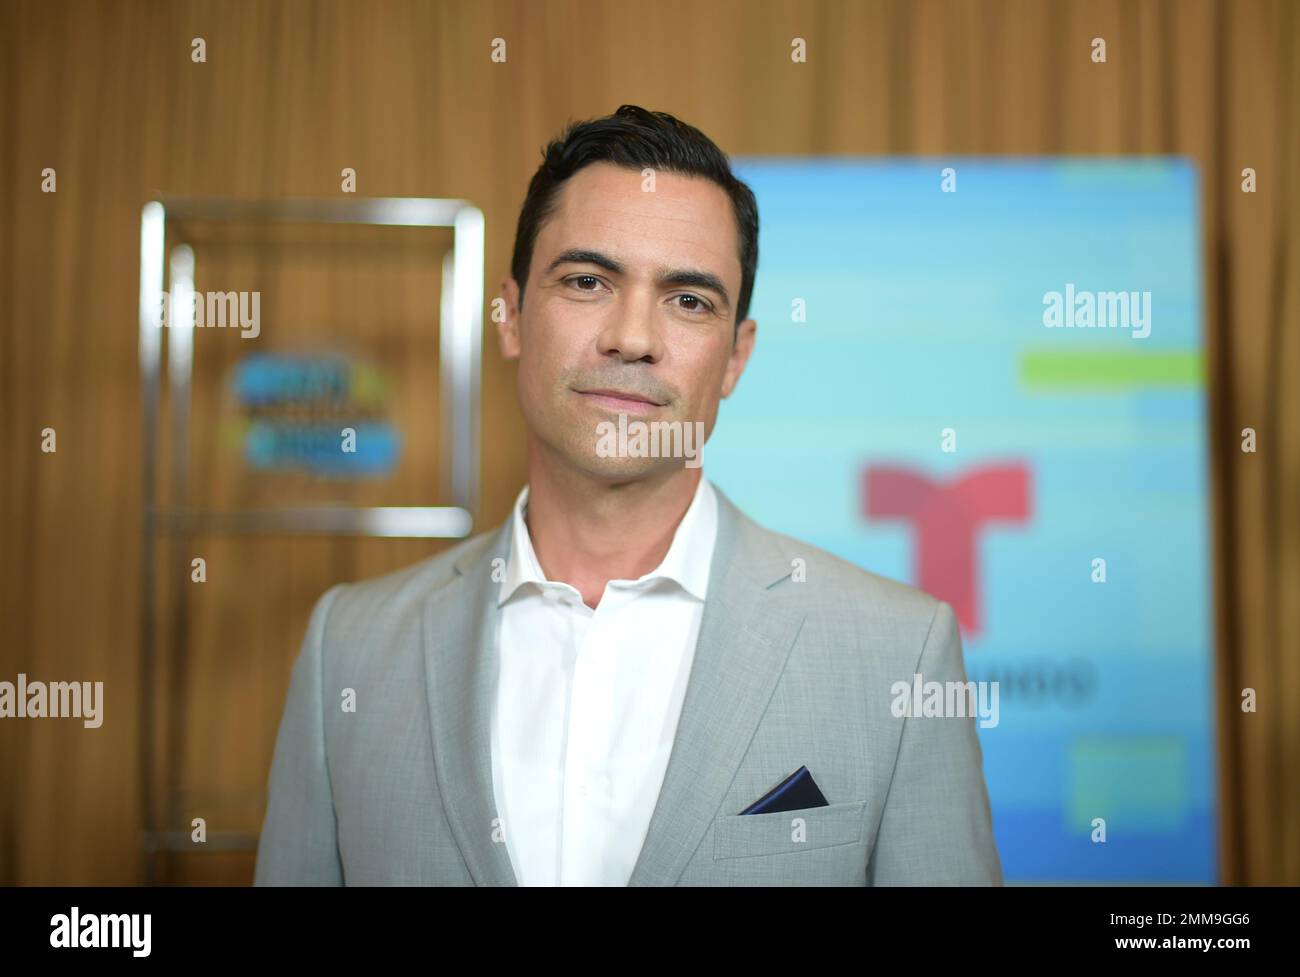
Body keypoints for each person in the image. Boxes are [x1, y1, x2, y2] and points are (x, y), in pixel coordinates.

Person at [254, 104, 1001, 886]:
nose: (632, 336)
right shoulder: (350, 646)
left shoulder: (897, 653)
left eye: (688, 300)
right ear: (509, 315)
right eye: (587, 280)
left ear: (738, 356)